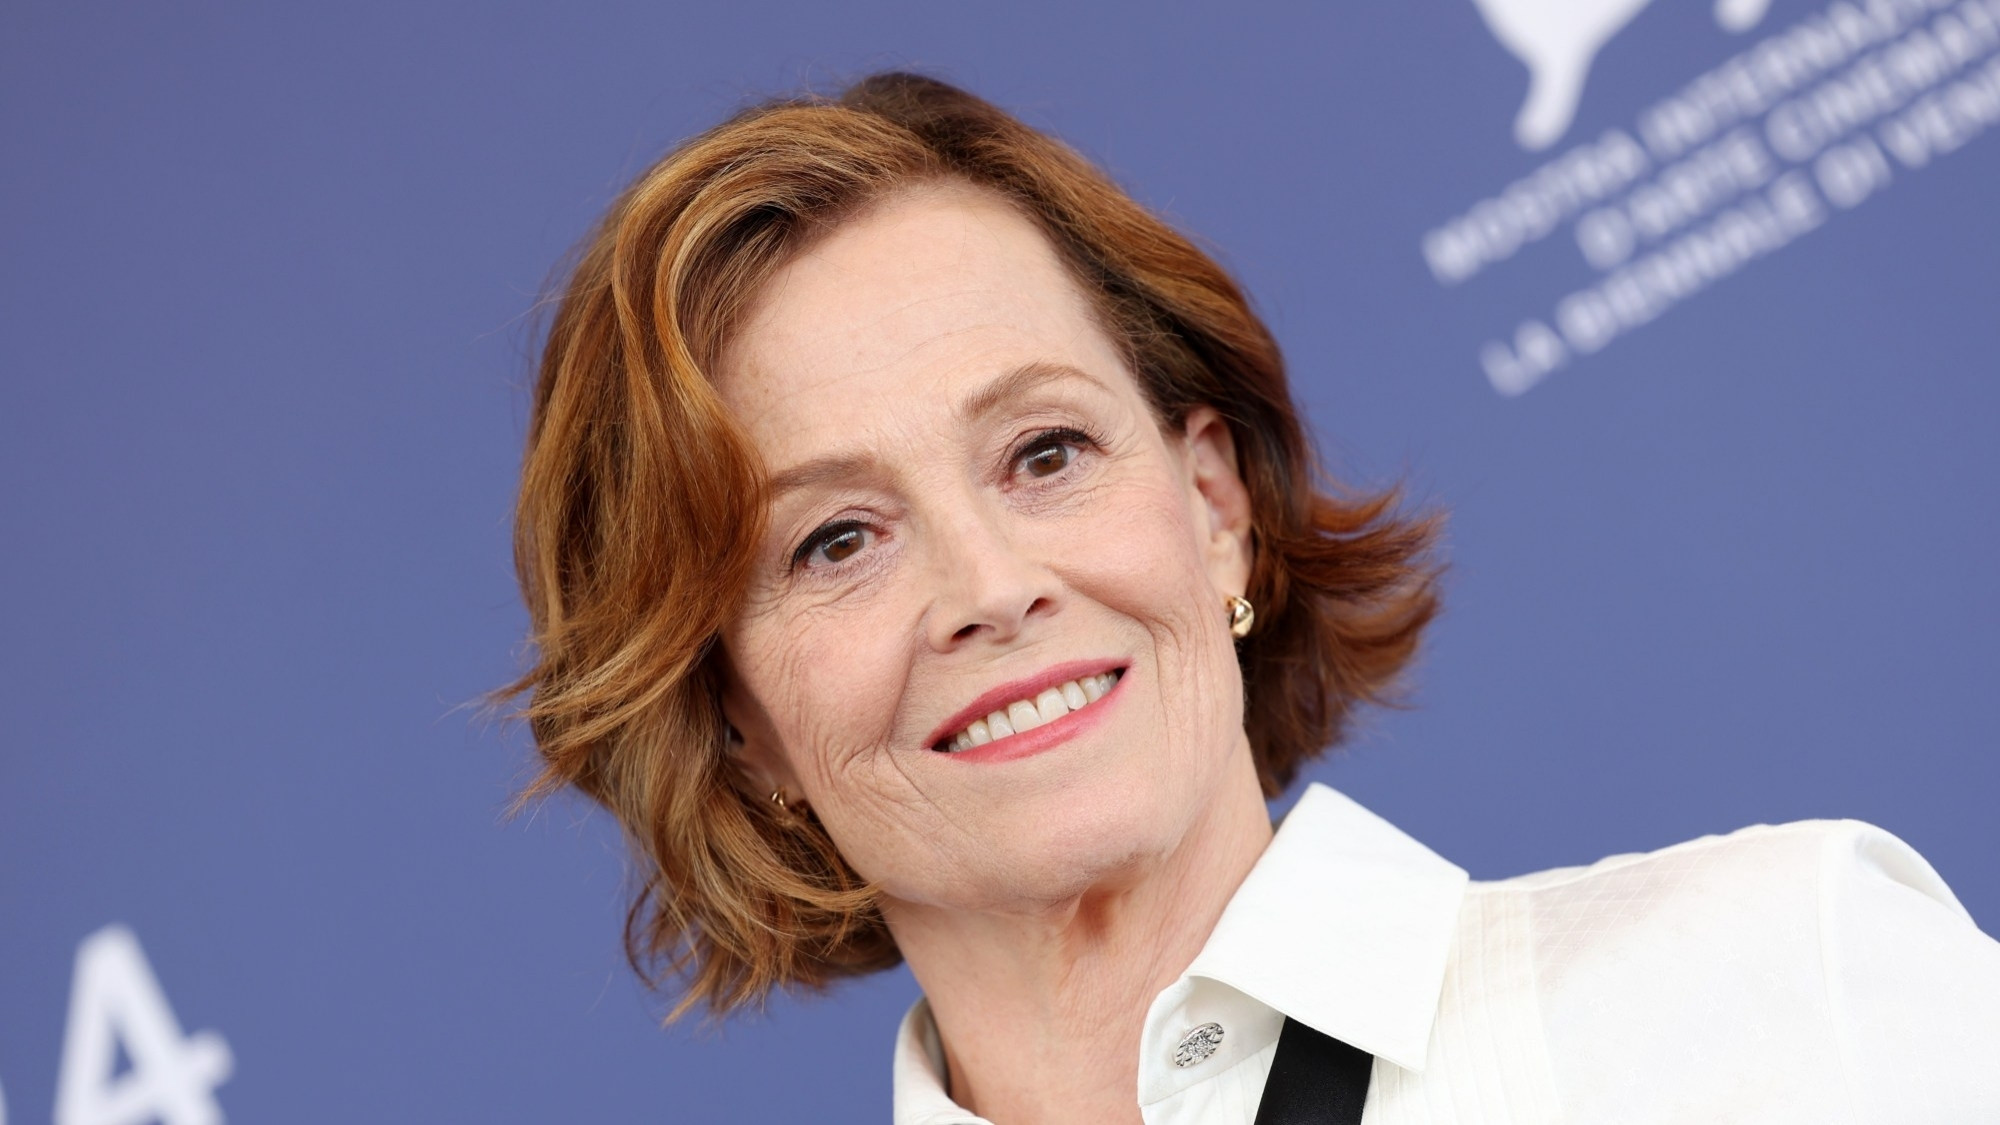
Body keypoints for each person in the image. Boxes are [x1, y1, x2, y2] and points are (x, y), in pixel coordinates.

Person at [503, 72, 2000, 1124]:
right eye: (835, 540)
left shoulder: (1784, 985)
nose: (991, 586)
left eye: (1046, 450)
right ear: (735, 719)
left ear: (1212, 510)